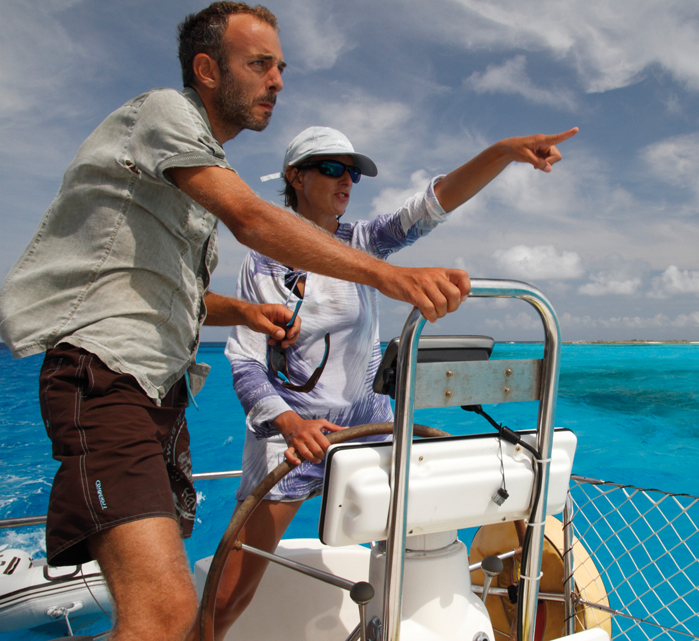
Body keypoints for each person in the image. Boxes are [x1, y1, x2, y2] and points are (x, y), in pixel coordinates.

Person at [0, 3, 470, 640]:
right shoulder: (166, 113)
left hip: (159, 396)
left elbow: (180, 298)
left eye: (281, 67)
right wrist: (390, 276)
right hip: (103, 376)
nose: (277, 80)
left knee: (167, 613)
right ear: (207, 70)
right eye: (260, 64)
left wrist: (242, 311)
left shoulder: (185, 195)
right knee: (167, 614)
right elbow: (251, 220)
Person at [208, 123, 577, 638]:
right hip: (294, 439)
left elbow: (432, 204)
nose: (347, 181)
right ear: (294, 176)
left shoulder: (361, 242)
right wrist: (291, 425)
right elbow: (245, 362)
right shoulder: (262, 259)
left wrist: (502, 152)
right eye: (333, 168)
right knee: (227, 597)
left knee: (410, 565)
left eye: (353, 173)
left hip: (370, 432)